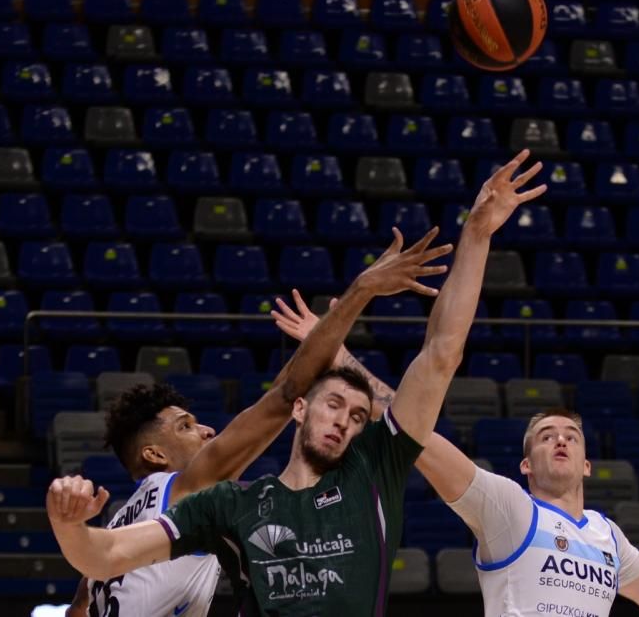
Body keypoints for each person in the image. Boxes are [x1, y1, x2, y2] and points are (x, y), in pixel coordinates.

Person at [46, 149, 547, 615]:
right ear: (301, 410)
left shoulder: (372, 470)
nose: (346, 420)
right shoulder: (226, 502)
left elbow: (441, 354)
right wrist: (69, 525)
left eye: (358, 414)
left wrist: (477, 233)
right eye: (333, 404)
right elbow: (104, 555)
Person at [60, 223, 454, 617]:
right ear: (155, 454)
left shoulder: (119, 523)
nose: (207, 431)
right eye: (186, 426)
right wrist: (361, 292)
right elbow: (283, 396)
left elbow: (79, 607)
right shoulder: (188, 488)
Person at [273, 327, 639, 616]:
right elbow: (415, 430)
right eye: (546, 436)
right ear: (526, 464)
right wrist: (342, 358)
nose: (560, 439)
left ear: (587, 462)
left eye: (570, 435)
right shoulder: (510, 510)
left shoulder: (608, 536)